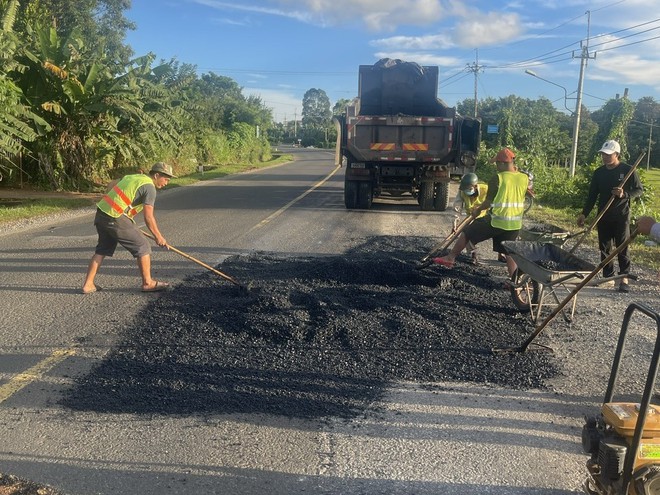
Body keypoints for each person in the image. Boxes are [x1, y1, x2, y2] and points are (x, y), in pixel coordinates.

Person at [433, 147, 528, 280]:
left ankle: (450, 257)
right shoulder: (524, 178)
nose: (496, 166)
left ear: (502, 163)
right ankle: (514, 282)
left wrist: (478, 210)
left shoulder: (498, 178)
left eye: (496, 164)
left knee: (467, 232)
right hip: (515, 223)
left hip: (497, 221)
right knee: (509, 252)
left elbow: (488, 201)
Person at [82, 162, 176, 294]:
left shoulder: (135, 177)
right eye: (166, 179)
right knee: (143, 247)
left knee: (102, 250)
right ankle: (148, 283)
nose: (166, 183)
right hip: (115, 216)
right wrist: (158, 236)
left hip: (102, 213)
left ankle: (88, 284)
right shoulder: (150, 188)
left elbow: (113, 184)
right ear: (156, 175)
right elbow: (148, 217)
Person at [576, 140, 643, 293]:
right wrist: (584, 214)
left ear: (617, 154)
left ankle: (623, 277)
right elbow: (592, 196)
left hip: (621, 216)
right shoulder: (599, 173)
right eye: (603, 155)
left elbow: (639, 190)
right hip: (603, 215)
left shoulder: (628, 170)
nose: (604, 157)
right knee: (605, 247)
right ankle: (608, 276)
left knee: (622, 246)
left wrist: (624, 194)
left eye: (608, 155)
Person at [452, 173, 489, 264]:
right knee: (467, 233)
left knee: (470, 234)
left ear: (475, 186)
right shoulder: (462, 191)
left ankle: (502, 254)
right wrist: (455, 223)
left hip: (485, 216)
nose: (466, 192)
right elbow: (457, 207)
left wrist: (480, 208)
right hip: (470, 217)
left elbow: (493, 203)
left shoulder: (486, 189)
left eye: (468, 189)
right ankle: (473, 254)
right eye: (465, 190)